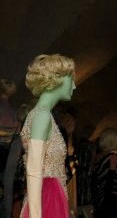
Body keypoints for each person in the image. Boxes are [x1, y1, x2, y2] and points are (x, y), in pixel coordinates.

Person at [20, 54, 76, 218]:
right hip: (48, 200)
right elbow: (33, 170)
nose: (74, 86)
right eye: (71, 79)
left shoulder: (42, 115)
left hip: (49, 197)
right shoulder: (41, 116)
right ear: (57, 79)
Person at [90, 128, 117, 218]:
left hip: (99, 200)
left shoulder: (98, 158)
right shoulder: (112, 158)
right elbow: (112, 182)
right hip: (110, 200)